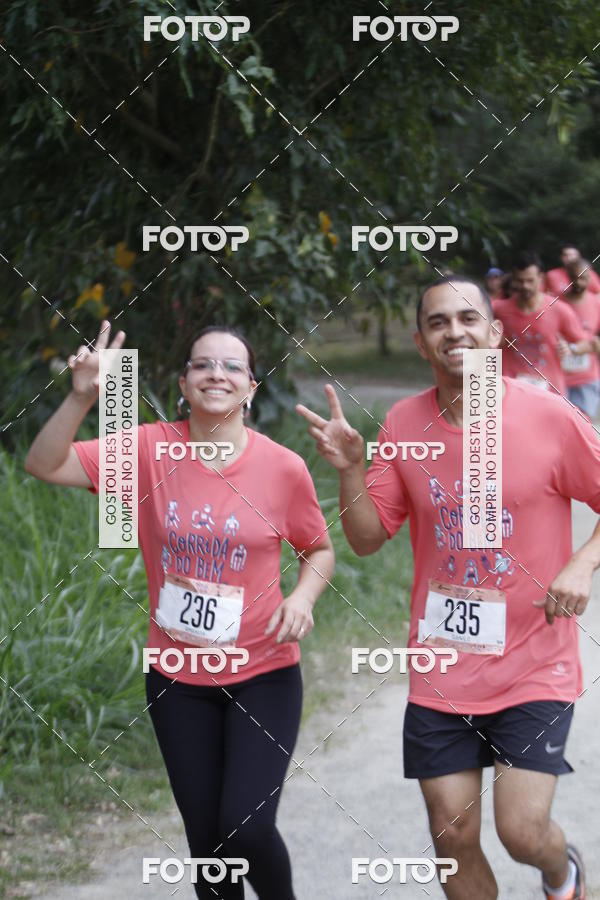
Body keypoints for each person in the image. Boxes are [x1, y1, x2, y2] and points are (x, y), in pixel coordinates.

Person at [297, 275, 600, 900]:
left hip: (533, 664)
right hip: (442, 668)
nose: (454, 332)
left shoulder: (547, 413)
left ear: (494, 332)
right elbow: (367, 535)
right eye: (438, 323)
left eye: (467, 320)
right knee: (451, 835)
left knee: (520, 831)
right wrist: (352, 469)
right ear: (420, 341)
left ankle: (560, 870)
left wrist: (581, 564)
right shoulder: (404, 421)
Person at [24, 321, 334, 900]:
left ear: (251, 386)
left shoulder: (282, 468)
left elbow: (318, 548)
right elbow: (45, 465)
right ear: (184, 385)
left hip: (264, 674)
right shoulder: (148, 450)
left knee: (246, 824)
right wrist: (81, 395)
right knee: (208, 847)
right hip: (175, 680)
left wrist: (302, 595)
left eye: (232, 366)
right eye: (202, 365)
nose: (217, 373)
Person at [492, 250, 593, 394]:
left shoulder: (558, 309)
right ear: (513, 279)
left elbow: (586, 343)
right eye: (520, 281)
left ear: (540, 278)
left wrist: (571, 349)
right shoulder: (498, 309)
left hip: (550, 391)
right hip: (511, 391)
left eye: (530, 280)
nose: (525, 286)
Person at [558, 259, 600, 420]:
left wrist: (593, 346)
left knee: (583, 424)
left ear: (590, 278)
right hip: (560, 376)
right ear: (568, 277)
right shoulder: (557, 302)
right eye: (575, 277)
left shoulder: (597, 303)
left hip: (587, 376)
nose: (579, 282)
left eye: (583, 278)